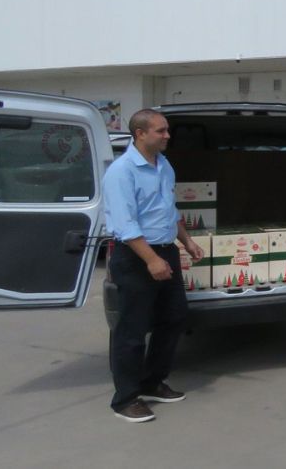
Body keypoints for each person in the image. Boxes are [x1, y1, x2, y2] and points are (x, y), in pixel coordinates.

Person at [104, 109, 205, 423]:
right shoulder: (122, 172)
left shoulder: (164, 165)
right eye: (161, 131)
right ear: (140, 134)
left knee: (174, 317)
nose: (167, 135)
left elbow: (169, 209)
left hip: (165, 252)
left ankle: (152, 382)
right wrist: (151, 260)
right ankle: (125, 399)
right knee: (132, 330)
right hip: (136, 257)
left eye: (167, 130)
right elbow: (125, 223)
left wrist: (186, 241)